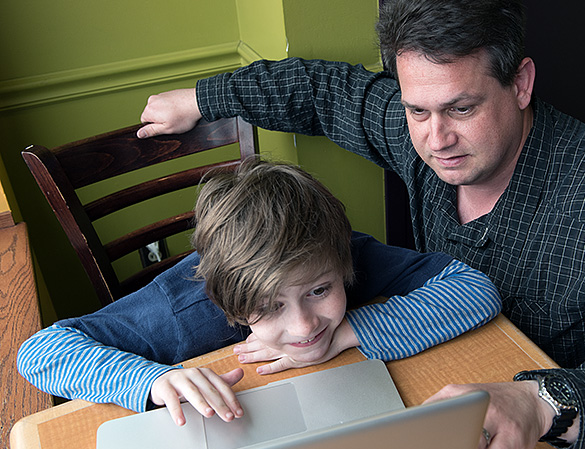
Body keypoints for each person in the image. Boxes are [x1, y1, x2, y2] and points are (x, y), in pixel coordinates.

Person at [134, 0, 585, 449]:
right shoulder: (423, 130)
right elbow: (325, 92)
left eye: (461, 107)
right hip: (443, 382)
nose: (437, 139)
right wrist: (201, 99)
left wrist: (543, 401)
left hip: (564, 436)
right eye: (417, 111)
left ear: (522, 83)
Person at [17, 158, 501, 427]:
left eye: (319, 290)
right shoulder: (182, 307)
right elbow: (40, 352)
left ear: (340, 265)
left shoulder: (341, 252)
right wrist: (150, 382)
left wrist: (352, 328)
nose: (305, 325)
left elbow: (475, 289)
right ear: (225, 297)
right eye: (269, 307)